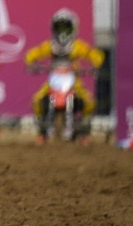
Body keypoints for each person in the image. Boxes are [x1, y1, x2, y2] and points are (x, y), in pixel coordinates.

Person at [24, 8, 104, 141]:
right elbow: (33, 54)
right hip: (54, 81)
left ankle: (84, 129)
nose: (62, 33)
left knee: (89, 102)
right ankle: (41, 130)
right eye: (59, 28)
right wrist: (31, 63)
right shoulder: (50, 45)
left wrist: (94, 65)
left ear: (73, 29)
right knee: (37, 100)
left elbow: (94, 55)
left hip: (74, 81)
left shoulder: (78, 46)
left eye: (66, 28)